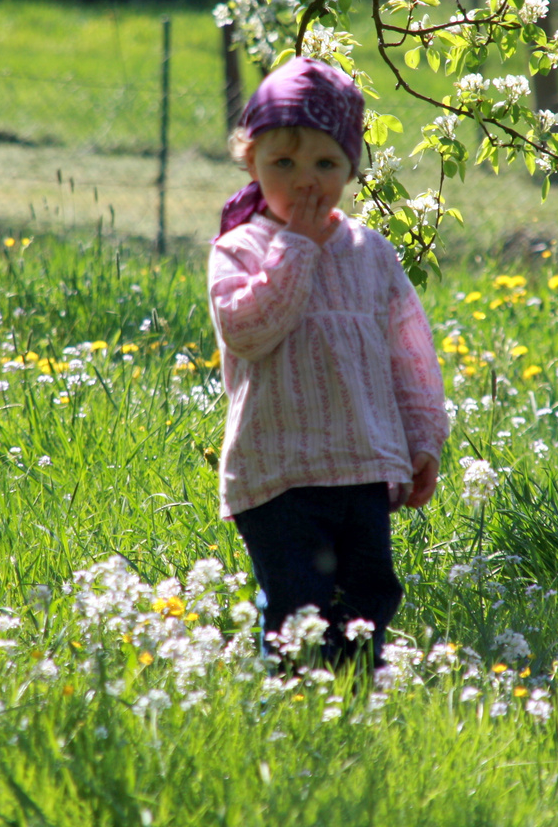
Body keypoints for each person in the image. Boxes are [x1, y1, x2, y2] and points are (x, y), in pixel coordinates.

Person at [208, 55, 449, 669]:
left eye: (325, 163)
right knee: (299, 602)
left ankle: (355, 701)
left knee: (370, 595)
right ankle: (293, 702)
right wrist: (293, 249)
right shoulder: (241, 249)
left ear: (350, 168)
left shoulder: (371, 253)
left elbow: (410, 353)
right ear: (251, 162)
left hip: (362, 467)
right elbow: (247, 332)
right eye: (282, 164)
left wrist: (422, 439)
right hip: (279, 471)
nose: (305, 182)